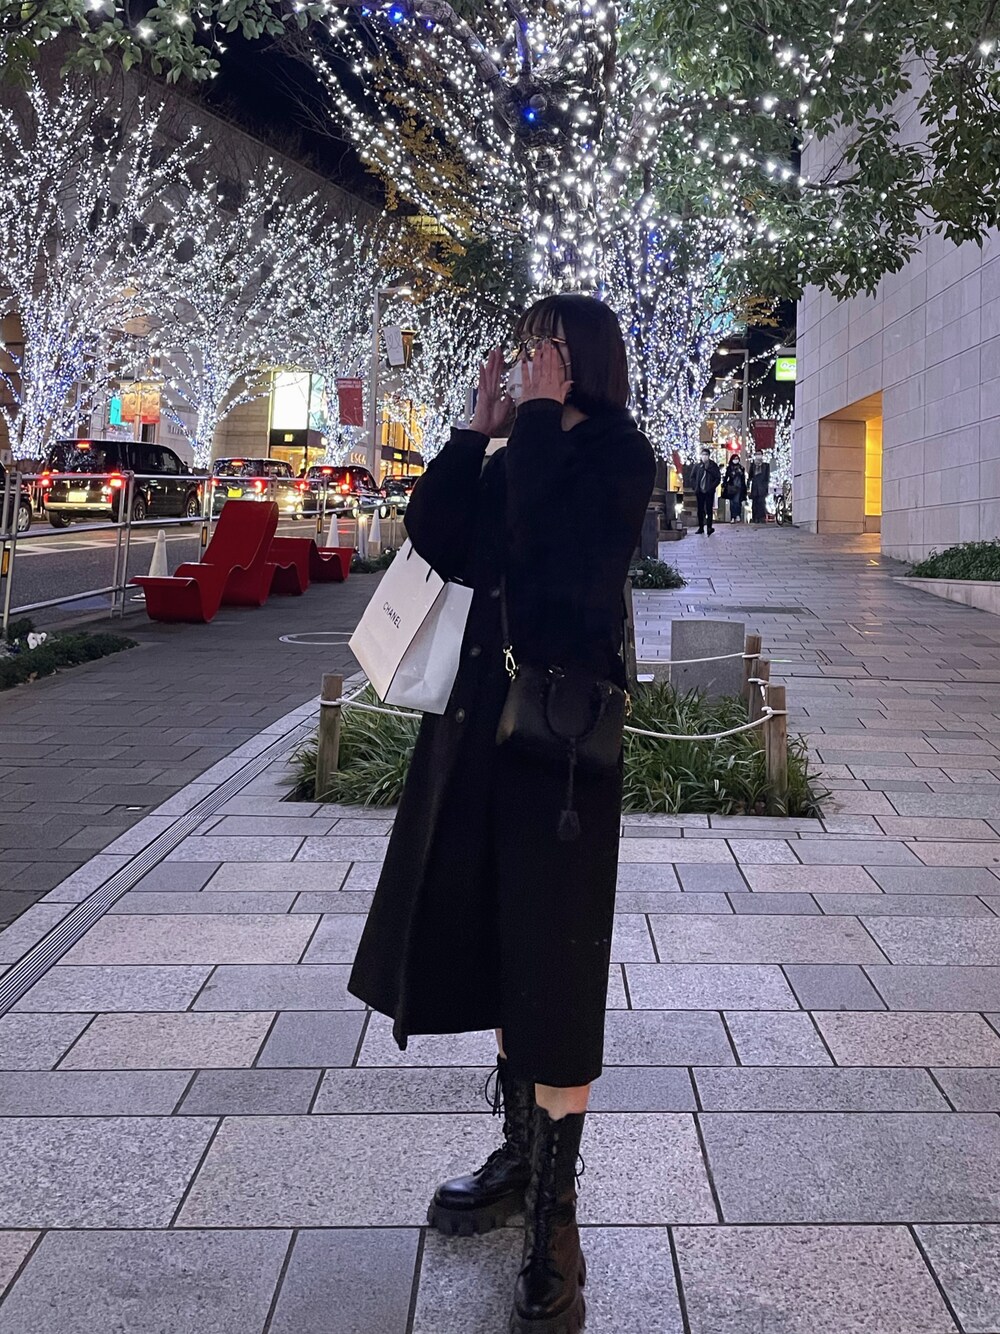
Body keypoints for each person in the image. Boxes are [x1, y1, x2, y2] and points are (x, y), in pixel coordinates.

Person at [348, 293, 656, 1334]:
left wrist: (528, 432)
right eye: (525, 349)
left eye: (545, 349)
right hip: (477, 731)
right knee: (493, 936)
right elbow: (440, 542)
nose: (528, 365)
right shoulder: (512, 445)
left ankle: (555, 1220)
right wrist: (469, 436)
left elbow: (557, 565)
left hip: (559, 752)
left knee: (555, 964)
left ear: (584, 361)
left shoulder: (618, 454)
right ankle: (521, 1157)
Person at [692, 446, 721, 535]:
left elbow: (717, 478)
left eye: (706, 455)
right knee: (700, 510)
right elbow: (692, 477)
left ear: (709, 456)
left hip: (709, 491)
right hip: (700, 491)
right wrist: (695, 487)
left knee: (709, 509)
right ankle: (701, 527)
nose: (704, 456)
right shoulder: (697, 466)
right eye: (703, 455)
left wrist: (712, 487)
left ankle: (709, 527)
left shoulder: (713, 466)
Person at [723, 452, 747, 523]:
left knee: (737, 502)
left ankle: (737, 515)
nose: (736, 460)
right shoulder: (729, 468)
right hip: (731, 487)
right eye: (734, 459)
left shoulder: (741, 468)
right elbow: (726, 477)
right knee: (732, 503)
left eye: (737, 459)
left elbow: (743, 478)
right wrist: (724, 484)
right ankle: (733, 516)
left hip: (739, 487)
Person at [748, 453, 771, 523]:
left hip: (762, 487)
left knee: (762, 503)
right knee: (755, 503)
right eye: (757, 454)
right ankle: (755, 517)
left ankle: (762, 518)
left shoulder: (766, 465)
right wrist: (748, 486)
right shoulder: (753, 465)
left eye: (760, 454)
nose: (758, 456)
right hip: (755, 486)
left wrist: (766, 487)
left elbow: (767, 477)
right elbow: (750, 476)